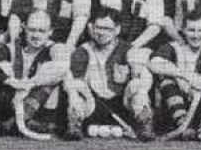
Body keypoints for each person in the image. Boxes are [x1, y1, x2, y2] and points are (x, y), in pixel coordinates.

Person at [63, 11, 156, 141]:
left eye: (106, 28)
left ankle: (144, 124)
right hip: (94, 106)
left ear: (117, 30)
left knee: (138, 84)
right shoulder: (83, 50)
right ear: (91, 28)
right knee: (74, 83)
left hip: (122, 106)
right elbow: (74, 81)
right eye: (98, 28)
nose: (101, 33)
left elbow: (143, 75)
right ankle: (74, 125)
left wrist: (138, 74)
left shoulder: (128, 50)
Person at [0, 10, 70, 136]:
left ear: (50, 32)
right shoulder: (10, 48)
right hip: (11, 102)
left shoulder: (55, 48)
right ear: (24, 28)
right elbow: (0, 72)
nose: (36, 35)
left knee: (54, 78)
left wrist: (30, 83)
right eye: (32, 30)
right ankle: (17, 123)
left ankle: (19, 123)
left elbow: (61, 66)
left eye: (41, 31)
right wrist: (15, 83)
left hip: (39, 105)